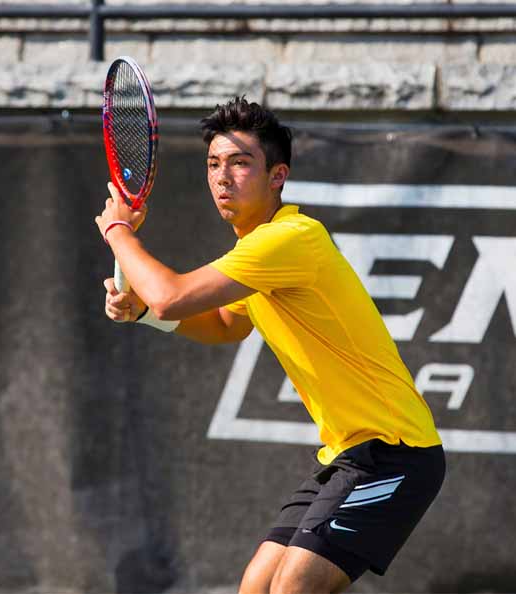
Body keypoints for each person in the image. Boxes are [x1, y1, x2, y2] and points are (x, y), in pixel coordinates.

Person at [95, 97, 444, 594]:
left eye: (240, 163)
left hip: (395, 452)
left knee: (292, 589)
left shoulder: (290, 239)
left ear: (277, 175)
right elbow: (223, 325)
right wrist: (143, 311)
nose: (222, 177)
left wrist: (118, 231)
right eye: (214, 164)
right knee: (257, 587)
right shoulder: (252, 251)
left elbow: (171, 296)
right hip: (346, 454)